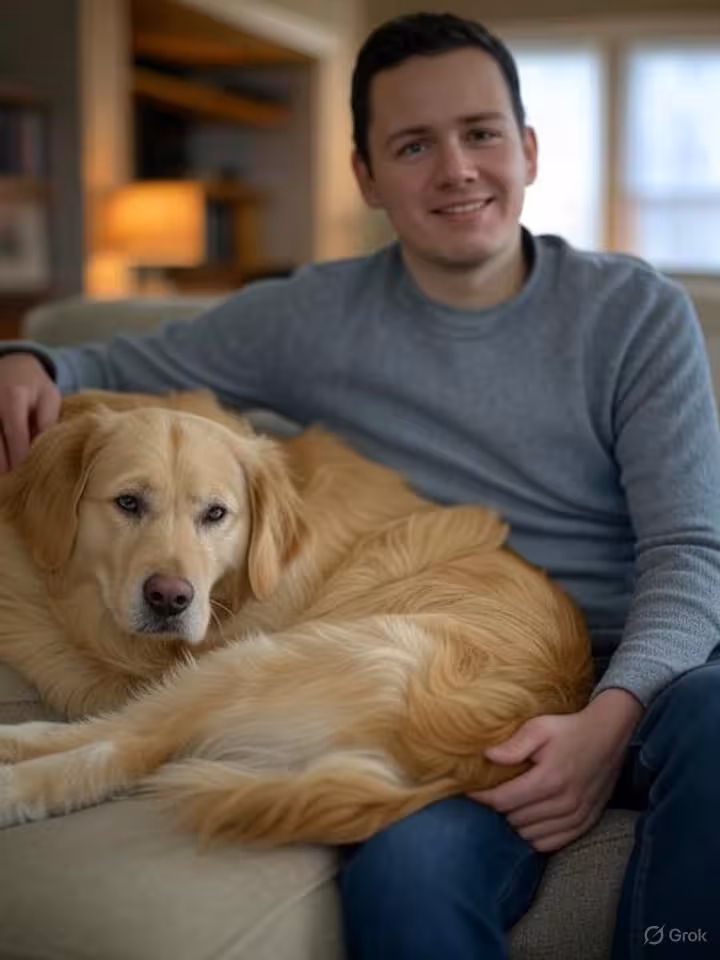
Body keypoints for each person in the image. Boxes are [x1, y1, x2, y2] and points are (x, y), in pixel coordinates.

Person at [1, 11, 719, 959]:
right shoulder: (312, 315)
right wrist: (24, 355)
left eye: (481, 133)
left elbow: (691, 553)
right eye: (413, 144)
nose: (456, 168)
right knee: (404, 879)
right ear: (366, 177)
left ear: (529, 150)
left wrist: (604, 722)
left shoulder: (635, 313)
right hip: (443, 688)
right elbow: (109, 359)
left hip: (645, 681)